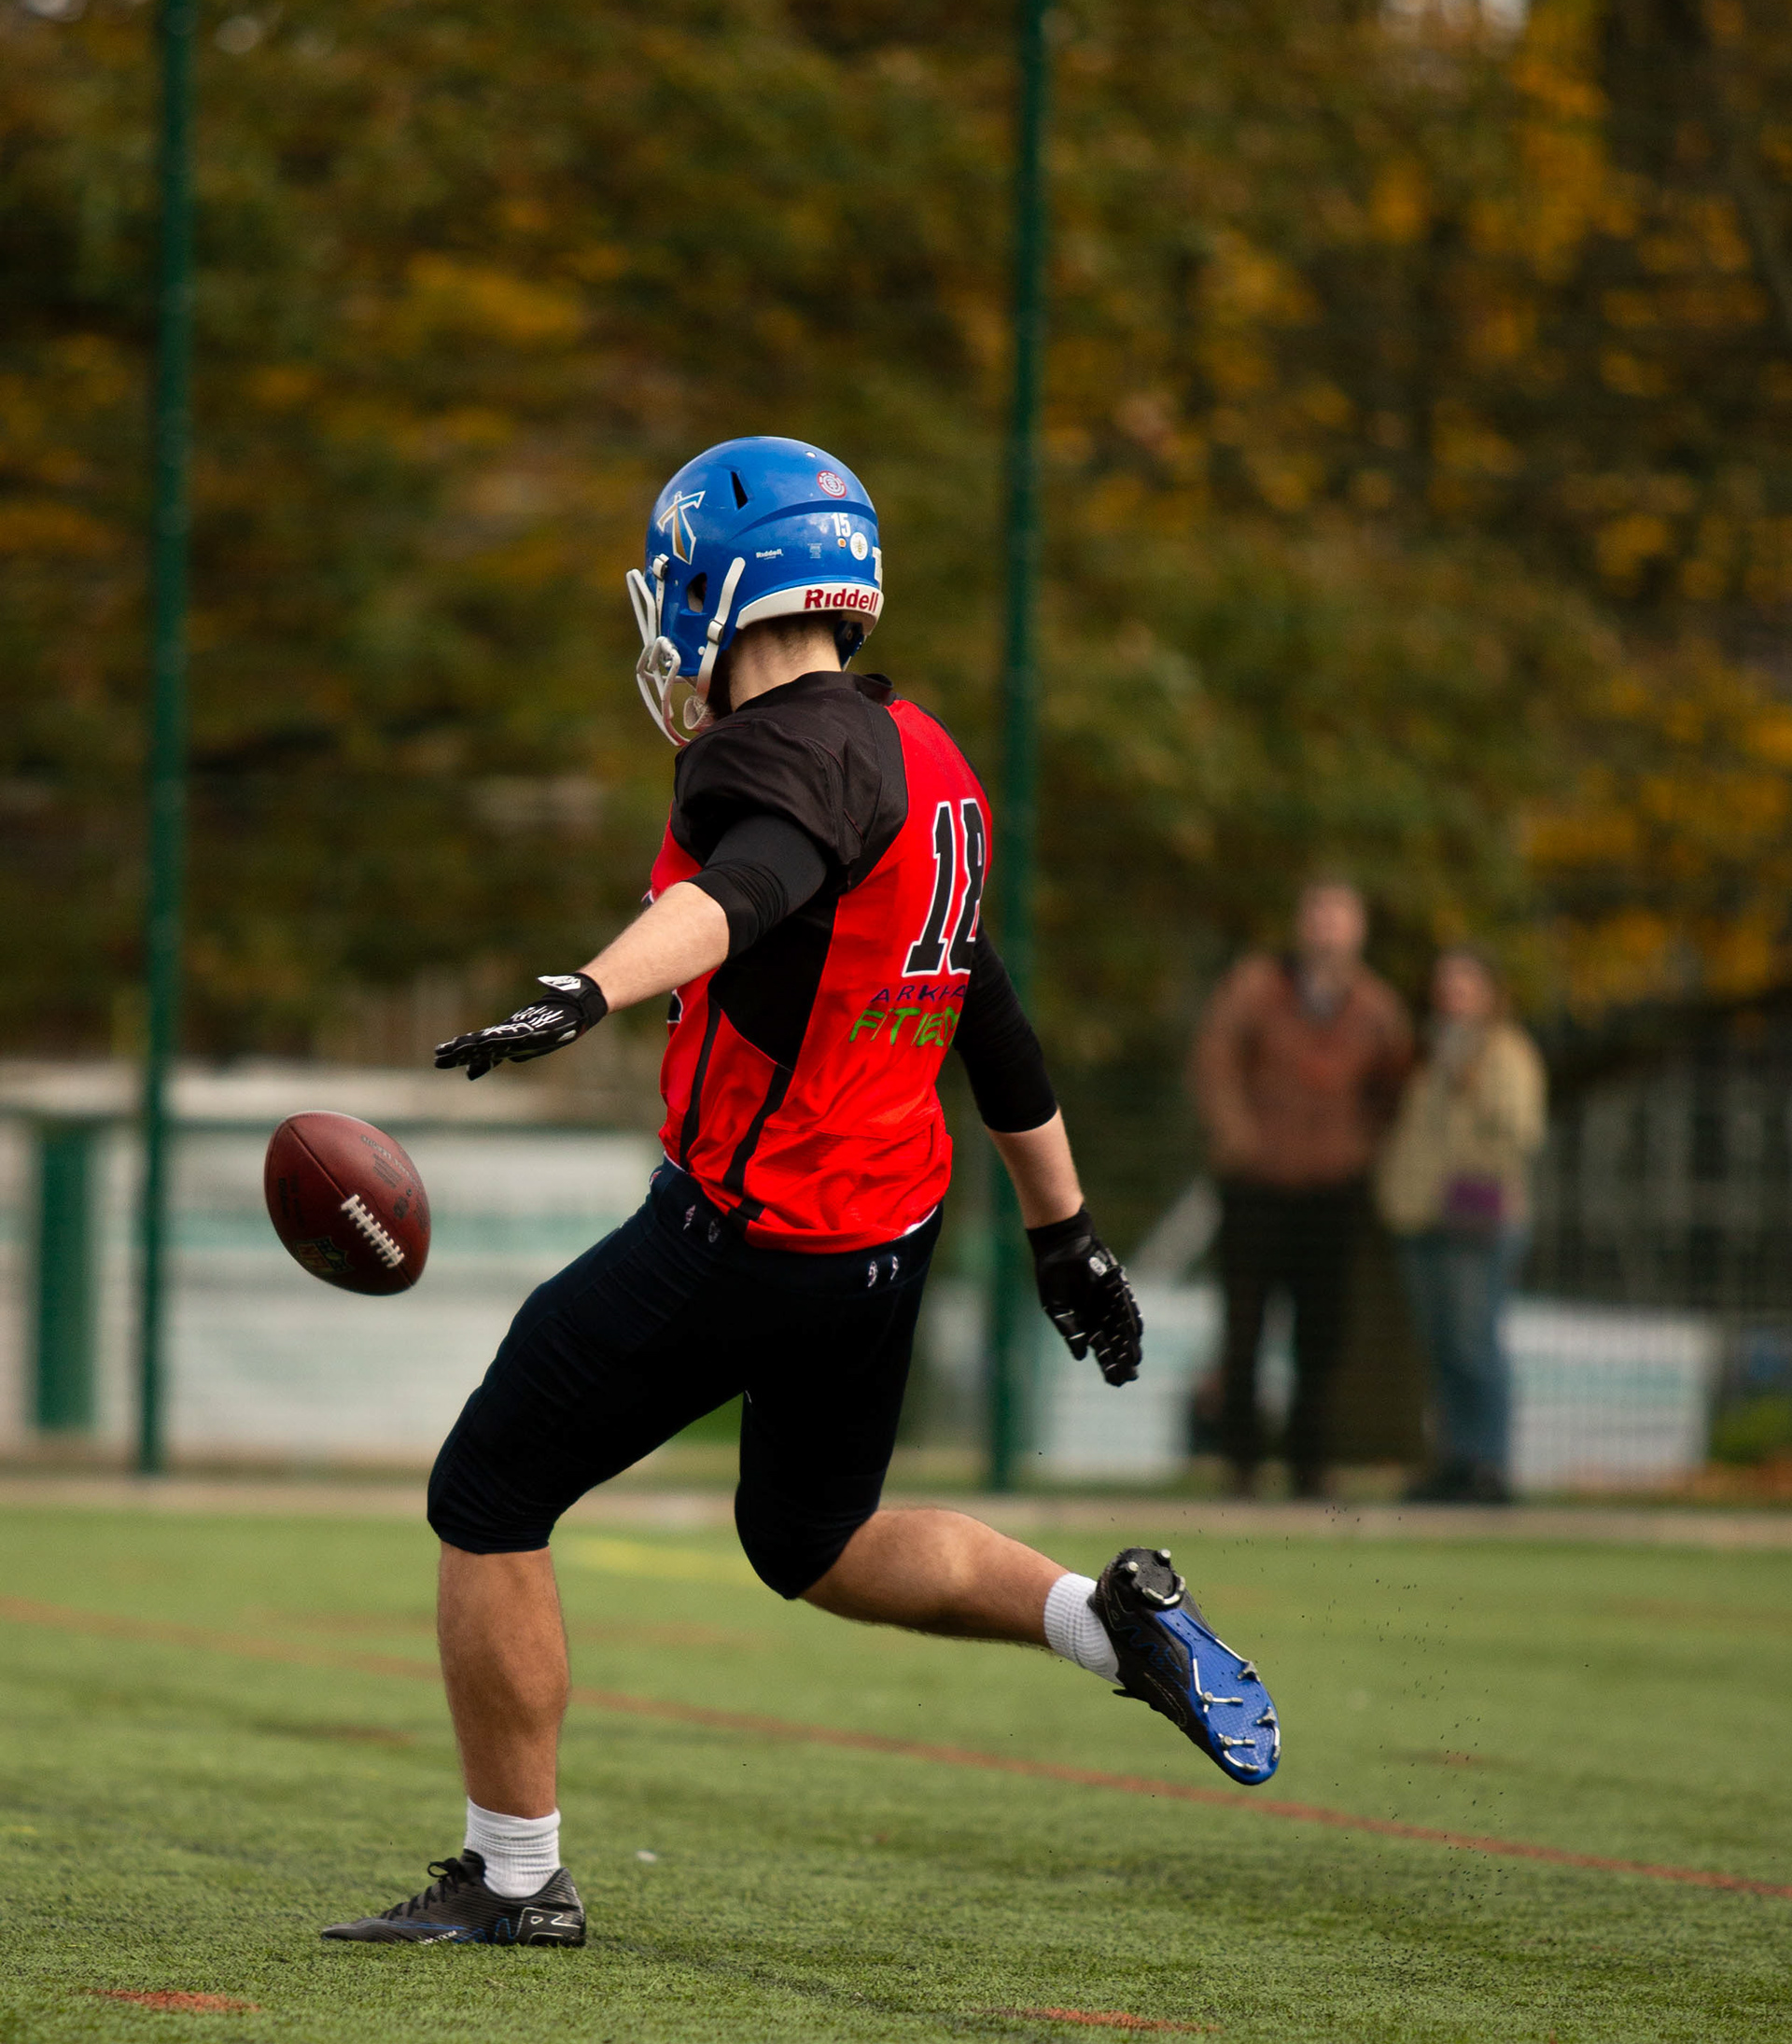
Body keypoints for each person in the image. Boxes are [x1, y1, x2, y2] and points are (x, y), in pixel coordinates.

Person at [321, 436, 1280, 1947]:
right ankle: (1109, 1623)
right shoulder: (930, 761)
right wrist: (1068, 1234)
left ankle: (515, 1879)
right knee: (814, 1542)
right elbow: (994, 1012)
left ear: (721, 589)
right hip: (886, 1240)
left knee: (490, 1490)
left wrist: (590, 989)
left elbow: (744, 890)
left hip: (745, 1235)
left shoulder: (768, 760)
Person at [1190, 880, 1412, 1499]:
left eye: (1339, 918)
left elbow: (1394, 1088)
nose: (1326, 930)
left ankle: (1311, 1466)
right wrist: (1238, 1137)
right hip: (1255, 1187)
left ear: (1359, 930)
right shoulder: (1255, 988)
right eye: (1317, 915)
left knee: (1322, 1333)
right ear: (1300, 923)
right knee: (1244, 1328)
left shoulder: (1375, 1007)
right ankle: (1241, 1464)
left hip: (1332, 1193)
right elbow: (1214, 1060)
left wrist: (1363, 1151)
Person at [1376, 947, 1547, 1505]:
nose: (1453, 995)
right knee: (1441, 1348)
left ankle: (1489, 1463)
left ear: (1489, 993)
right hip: (1421, 1218)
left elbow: (1515, 1135)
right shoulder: (1426, 1053)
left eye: (1466, 984)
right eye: (1446, 984)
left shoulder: (1505, 1054)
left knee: (1475, 1344)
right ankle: (1453, 1459)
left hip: (1476, 1222)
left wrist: (1466, 1184)